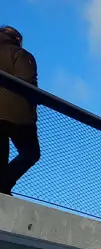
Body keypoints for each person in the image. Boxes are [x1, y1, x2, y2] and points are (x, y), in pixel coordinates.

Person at [0, 26, 40, 196]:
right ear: (17, 39)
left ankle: (2, 187)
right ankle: (3, 185)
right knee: (31, 153)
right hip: (18, 114)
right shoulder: (21, 55)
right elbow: (27, 82)